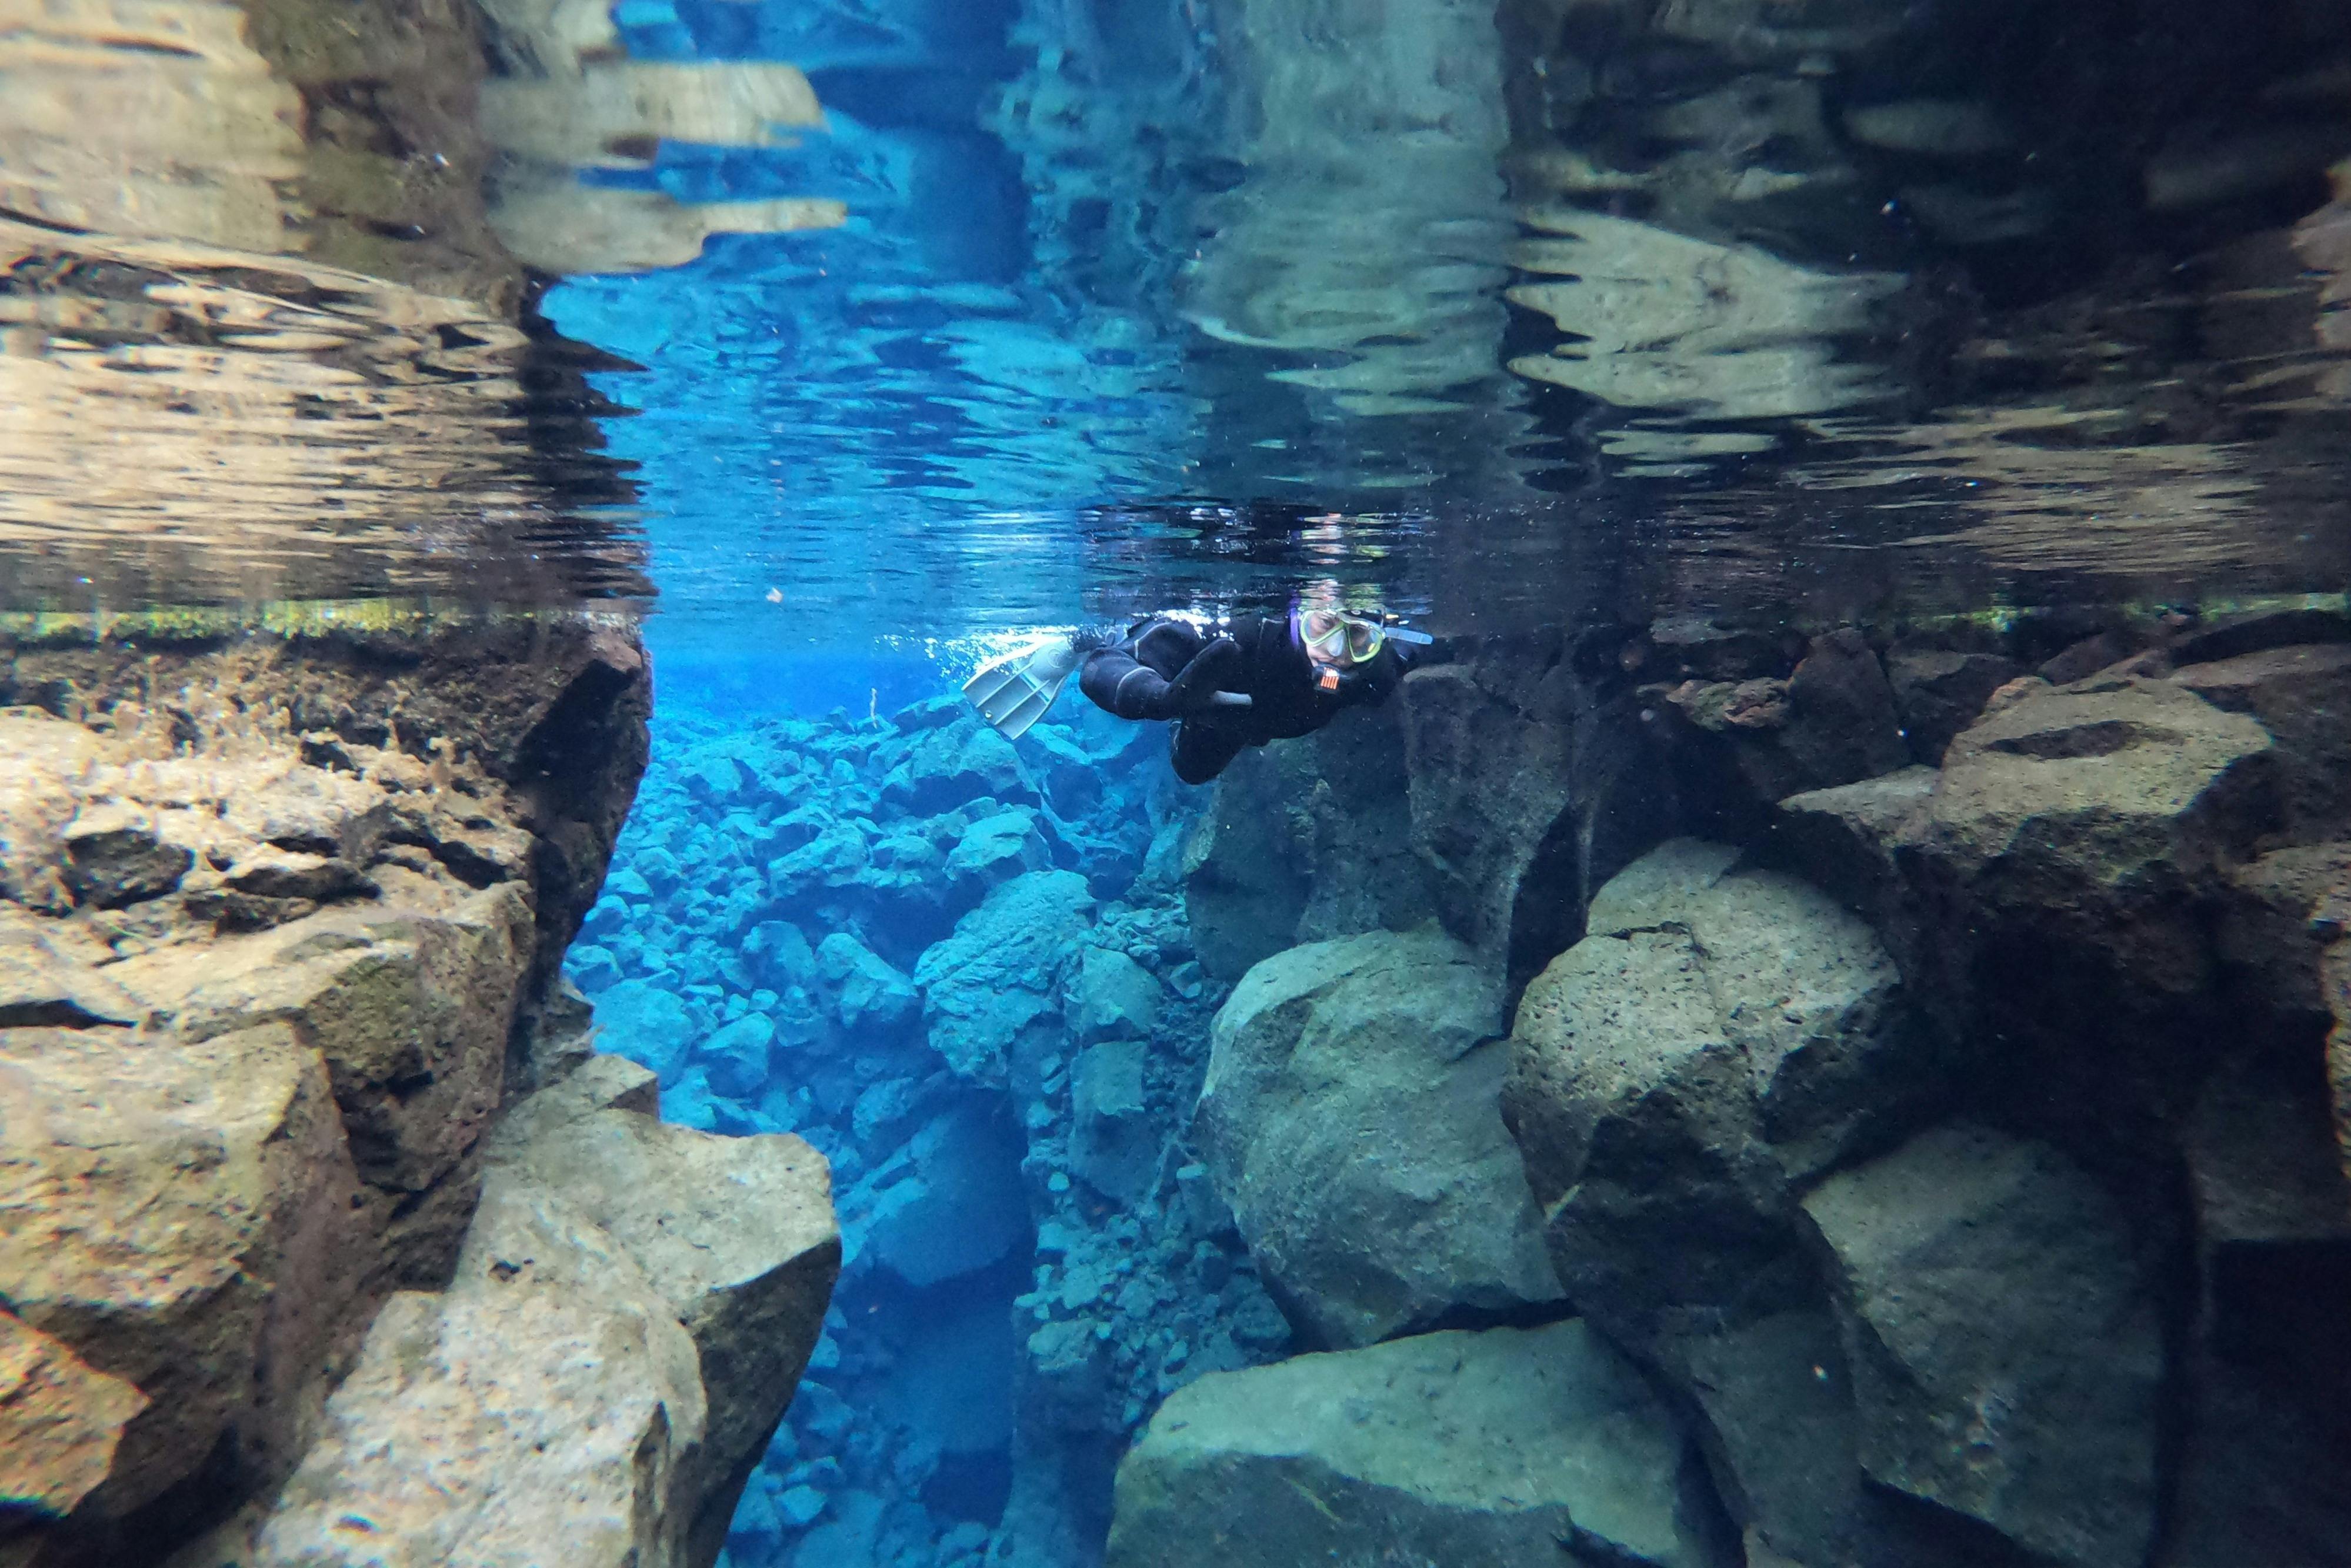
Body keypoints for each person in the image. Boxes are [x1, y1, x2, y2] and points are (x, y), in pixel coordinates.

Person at [1073, 605, 1422, 783]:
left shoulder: (1375, 672)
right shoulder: (1243, 632)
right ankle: (1100, 632)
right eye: (1325, 626)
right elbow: (1102, 667)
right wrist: (1162, 699)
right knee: (1192, 770)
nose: (1333, 652)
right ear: (1299, 612)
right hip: (1215, 705)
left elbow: (1430, 650)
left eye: (1358, 637)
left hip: (1256, 721)